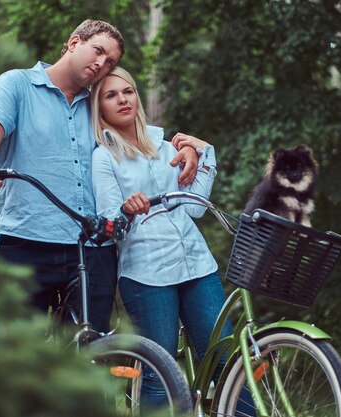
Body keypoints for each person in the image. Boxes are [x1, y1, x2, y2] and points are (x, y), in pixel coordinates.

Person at [0, 20, 199, 333]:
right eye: (97, 51)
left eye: (110, 61)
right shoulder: (17, 84)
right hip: (26, 242)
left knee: (90, 353)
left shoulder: (100, 102)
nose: (101, 64)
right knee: (16, 351)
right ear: (73, 43)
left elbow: (144, 142)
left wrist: (189, 148)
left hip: (93, 247)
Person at [91, 66, 232, 406]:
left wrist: (204, 152)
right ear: (100, 109)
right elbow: (110, 225)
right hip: (146, 274)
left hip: (197, 266)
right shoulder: (103, 157)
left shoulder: (167, 148)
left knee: (226, 365)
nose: (122, 99)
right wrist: (126, 209)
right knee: (160, 374)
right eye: (111, 95)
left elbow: (196, 208)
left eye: (127, 91)